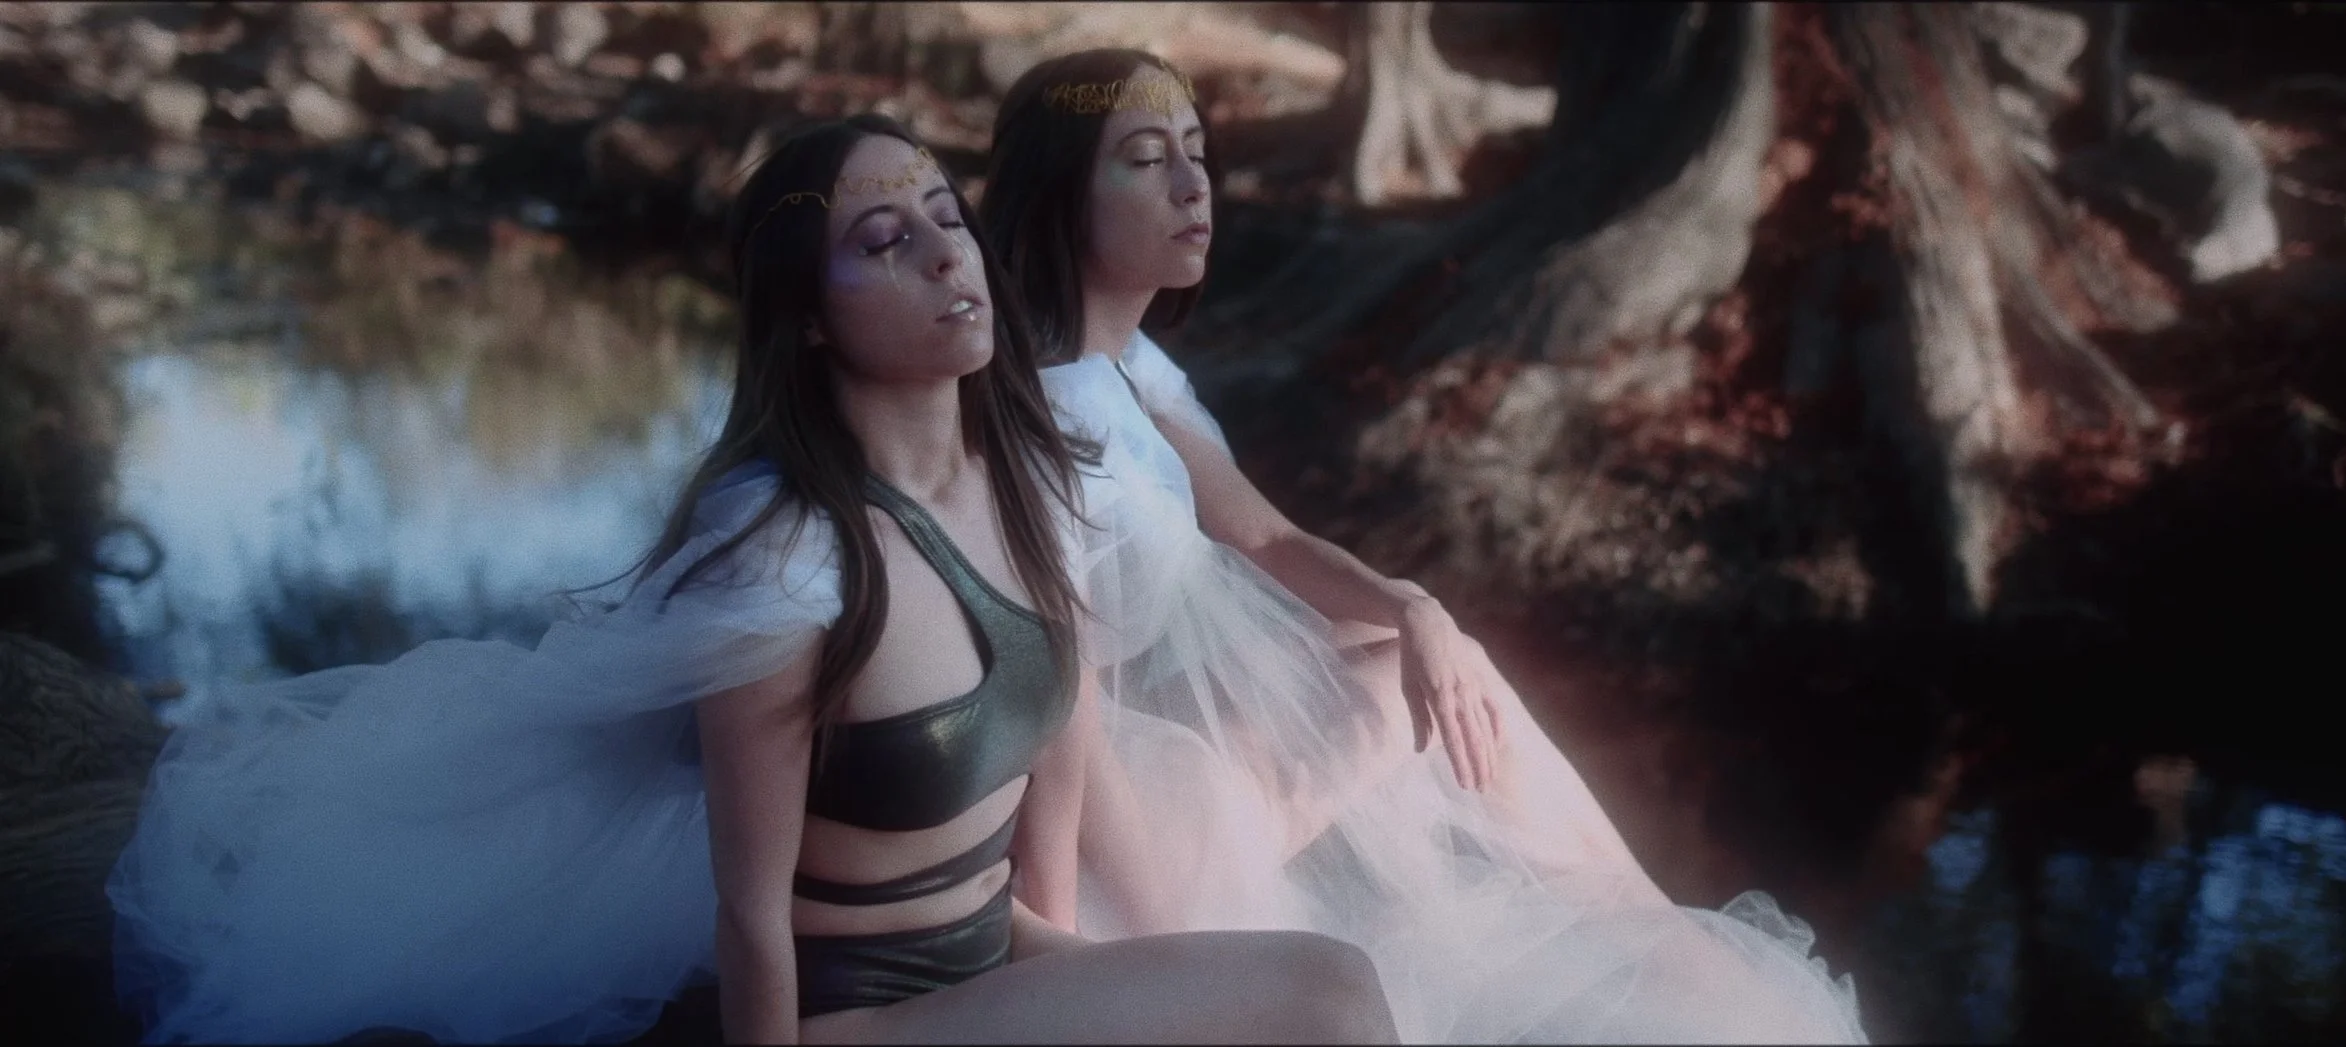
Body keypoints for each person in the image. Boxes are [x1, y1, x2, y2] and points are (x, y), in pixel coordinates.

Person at [107, 113, 1399, 1046]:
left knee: (1317, 984)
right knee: (1331, 996)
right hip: (862, 1011)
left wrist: (1074, 989)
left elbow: (1048, 805)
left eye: (949, 218)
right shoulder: (785, 562)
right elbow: (748, 905)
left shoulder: (1032, 485)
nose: (949, 256)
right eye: (886, 240)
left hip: (994, 955)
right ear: (810, 317)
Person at [979, 49, 1871, 1043]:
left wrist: (1418, 608)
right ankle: (1656, 941)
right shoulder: (1044, 412)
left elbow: (1267, 534)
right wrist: (1063, 955)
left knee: (1447, 670)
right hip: (1123, 816)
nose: (1194, 185)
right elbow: (1051, 697)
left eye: (1195, 150)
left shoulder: (1132, 369)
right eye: (1146, 160)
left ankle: (1646, 931)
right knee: (1454, 736)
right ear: (1060, 194)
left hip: (1177, 768)